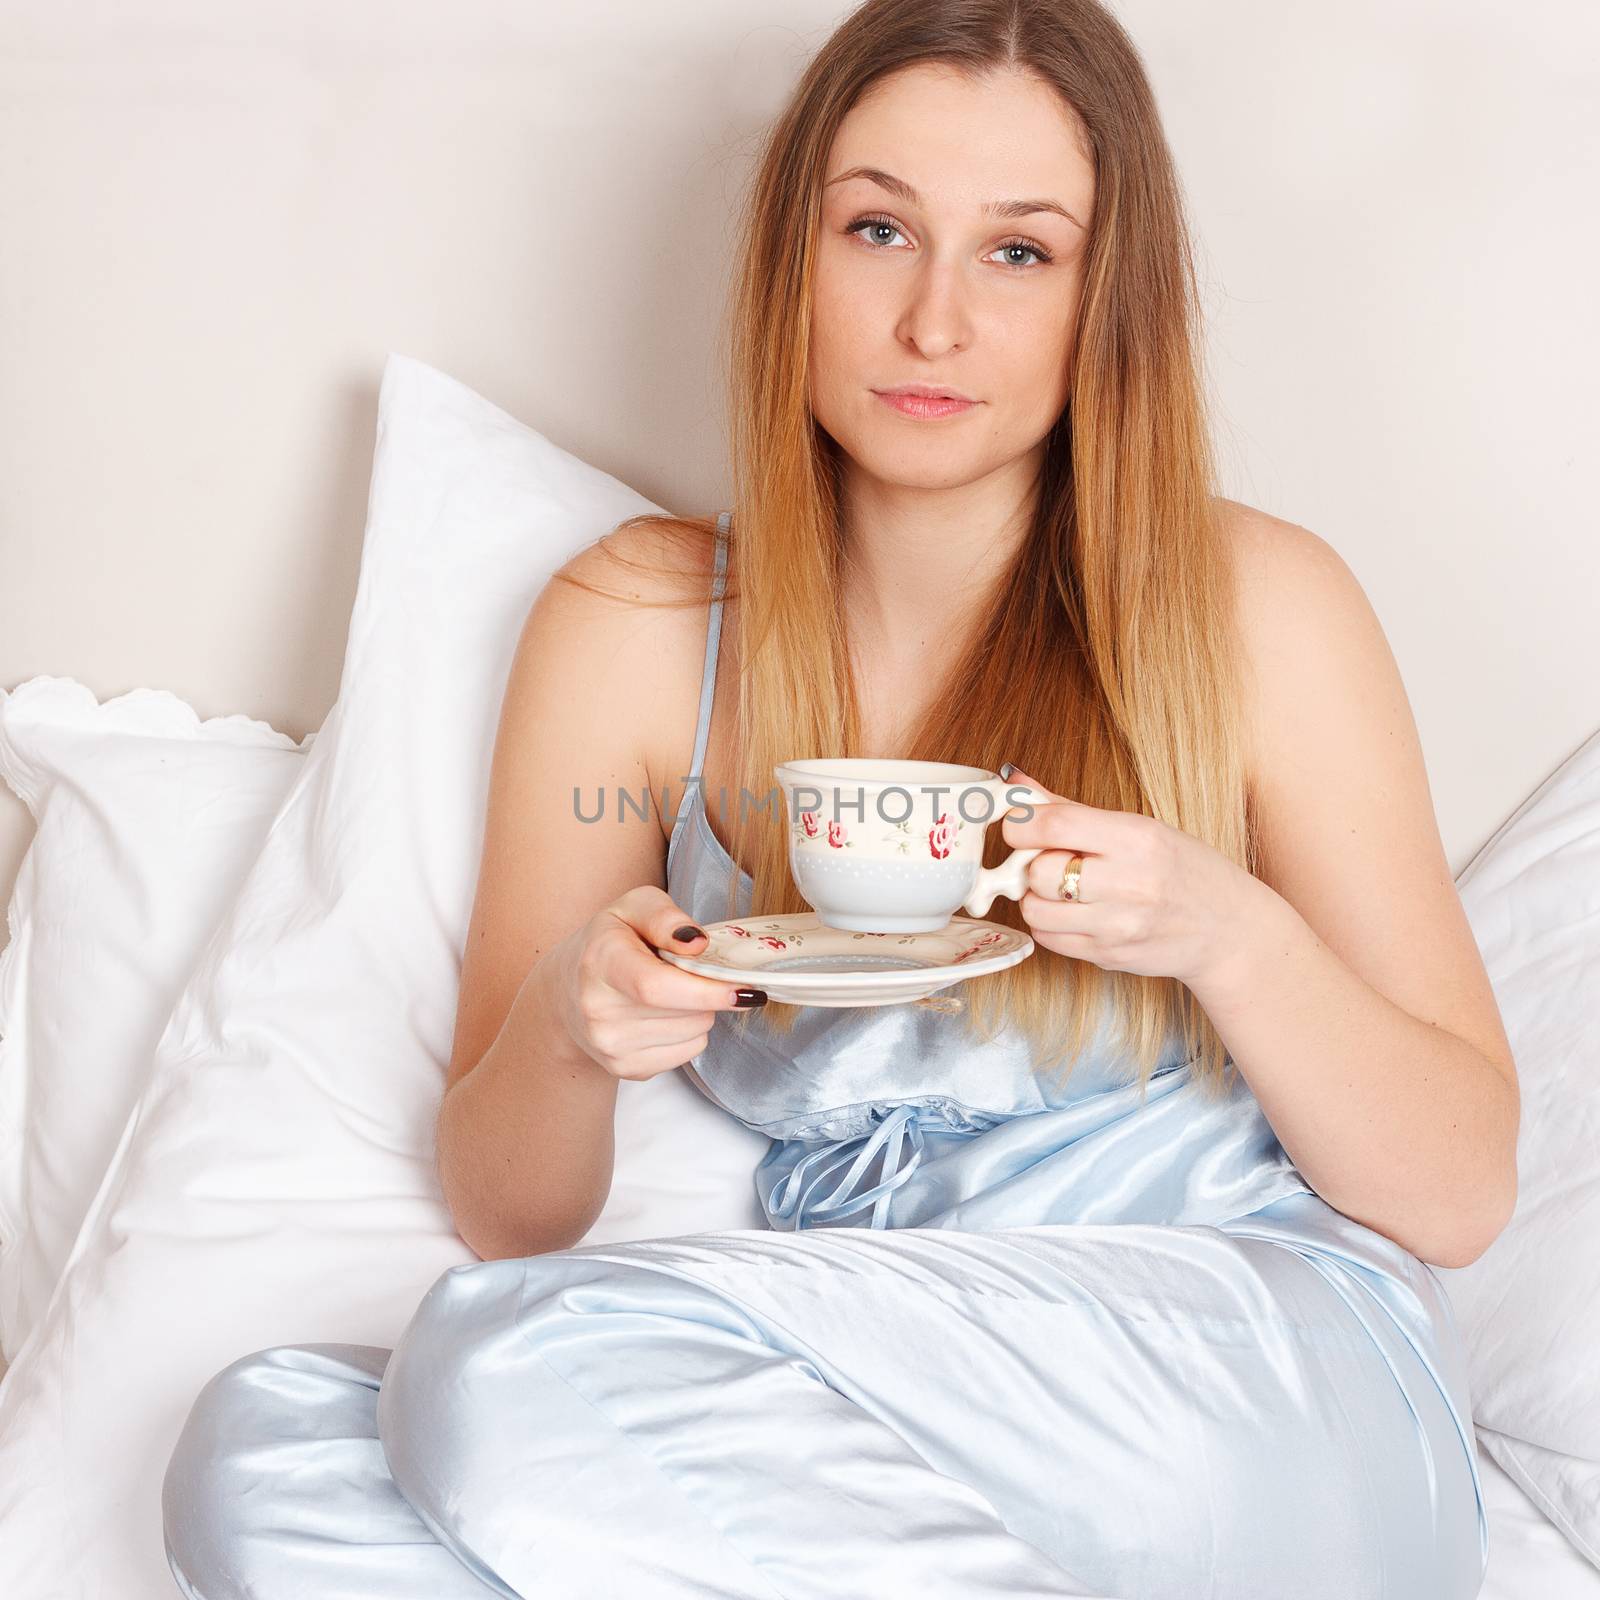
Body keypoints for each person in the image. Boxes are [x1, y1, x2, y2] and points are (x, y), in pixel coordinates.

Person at [161, 2, 1518, 1595]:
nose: (934, 320)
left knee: (500, 1364)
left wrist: (1227, 932)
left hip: (1256, 1380)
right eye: (880, 229)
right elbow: (513, 1216)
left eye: (1019, 253)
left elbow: (1462, 1187)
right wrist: (571, 1027)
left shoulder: (1251, 605)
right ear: (791, 261)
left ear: (1105, 303)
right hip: (872, 1414)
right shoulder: (638, 626)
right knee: (262, 1448)